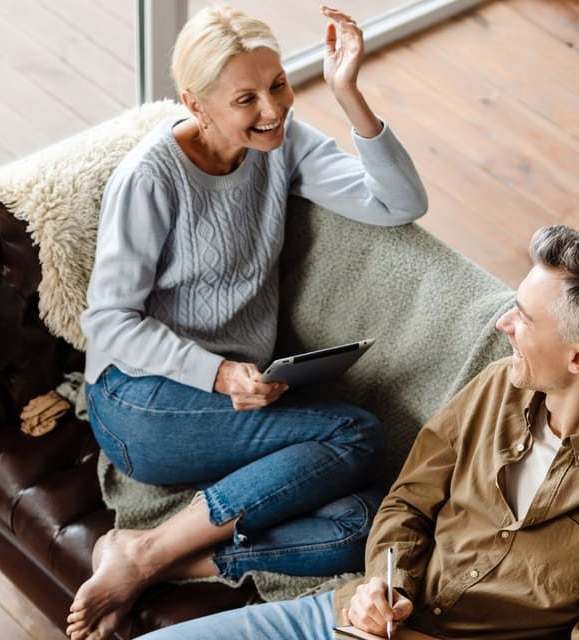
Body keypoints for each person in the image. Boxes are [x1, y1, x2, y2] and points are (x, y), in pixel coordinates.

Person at [67, 3, 429, 639]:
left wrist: (347, 93)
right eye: (246, 99)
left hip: (233, 403)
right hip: (137, 403)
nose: (273, 109)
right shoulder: (150, 179)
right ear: (196, 103)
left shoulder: (281, 144)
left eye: (279, 85)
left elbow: (400, 204)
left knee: (365, 521)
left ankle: (169, 562)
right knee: (355, 435)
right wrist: (218, 373)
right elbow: (110, 324)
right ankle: (145, 551)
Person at [140, 225, 579, 640]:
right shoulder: (498, 386)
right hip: (353, 618)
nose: (504, 326)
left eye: (523, 317)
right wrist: (387, 584)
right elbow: (407, 503)